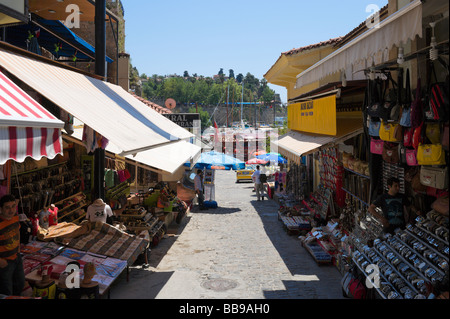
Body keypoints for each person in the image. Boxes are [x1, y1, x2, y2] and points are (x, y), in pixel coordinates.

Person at [0, 194, 25, 296]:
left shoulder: (14, 217)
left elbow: (17, 231)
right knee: (6, 292)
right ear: (1, 209)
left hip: (16, 257)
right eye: (7, 207)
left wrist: (18, 249)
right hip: (4, 263)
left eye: (13, 206)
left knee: (19, 285)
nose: (11, 210)